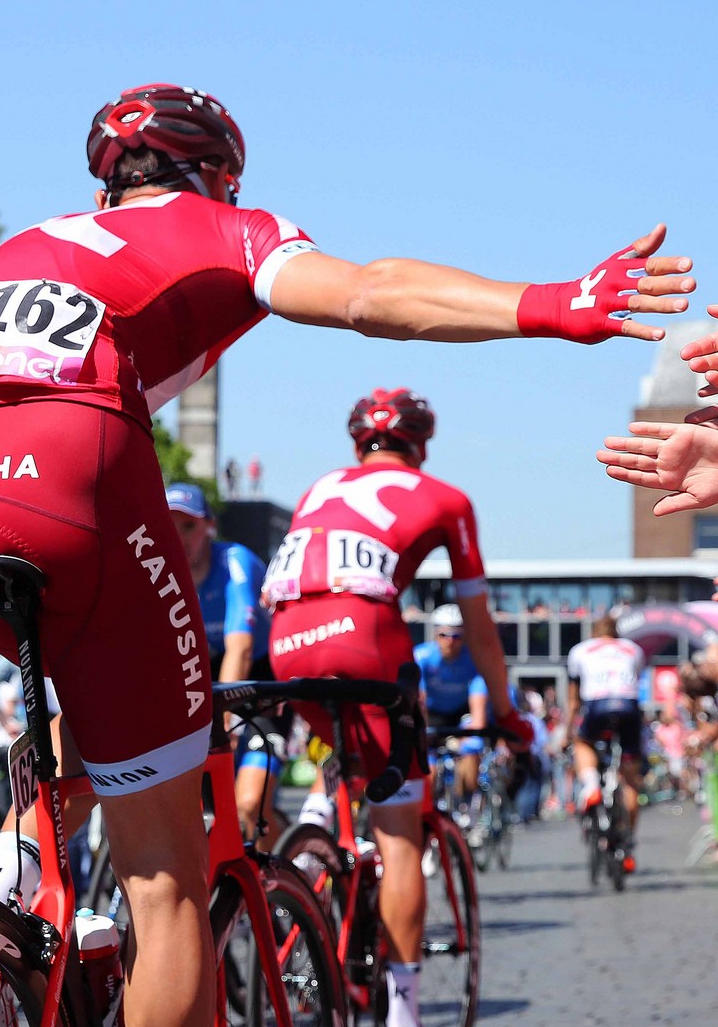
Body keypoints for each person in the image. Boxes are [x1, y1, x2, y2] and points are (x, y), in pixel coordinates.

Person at [0, 83, 689, 1027]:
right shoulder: (222, 226)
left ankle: (3, 908)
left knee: (78, 739)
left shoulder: (13, 249)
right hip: (67, 466)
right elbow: (372, 292)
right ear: (218, 174)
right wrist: (553, 303)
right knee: (167, 880)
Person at [265, 388, 533, 1027]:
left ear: (358, 444)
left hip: (286, 642)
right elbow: (481, 625)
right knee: (398, 825)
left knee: (343, 747)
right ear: (423, 443)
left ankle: (313, 844)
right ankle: (406, 1010)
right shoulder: (447, 498)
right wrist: (508, 712)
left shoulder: (319, 488)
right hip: (364, 638)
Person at [165, 481, 281, 844]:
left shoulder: (234, 561)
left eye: (189, 526)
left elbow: (241, 649)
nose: (178, 536)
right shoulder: (157, 571)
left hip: (262, 678)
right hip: (208, 675)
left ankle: (281, 882)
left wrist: (224, 718)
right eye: (168, 525)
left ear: (209, 527)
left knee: (248, 806)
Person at [564, 616, 646, 863]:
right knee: (630, 777)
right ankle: (627, 840)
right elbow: (636, 679)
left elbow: (574, 699)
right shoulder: (633, 649)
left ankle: (590, 786)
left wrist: (569, 729)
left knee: (583, 742)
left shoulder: (580, 650)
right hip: (628, 707)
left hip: (597, 705)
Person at [414, 602, 489, 806]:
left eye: (457, 636)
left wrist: (473, 737)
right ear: (435, 635)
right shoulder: (422, 657)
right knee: (428, 772)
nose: (450, 641)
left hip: (461, 713)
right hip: (432, 713)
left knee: (472, 750)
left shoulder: (472, 659)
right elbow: (418, 700)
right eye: (444, 635)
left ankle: (467, 807)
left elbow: (478, 708)